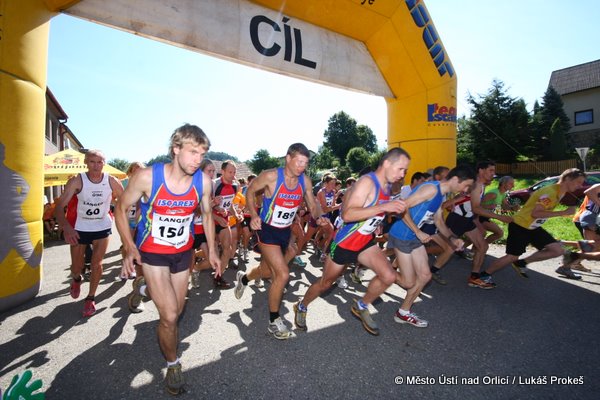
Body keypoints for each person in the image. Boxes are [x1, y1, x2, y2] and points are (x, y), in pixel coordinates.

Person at [115, 124, 220, 395]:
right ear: (175, 149)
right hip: (152, 253)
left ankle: (143, 289)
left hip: (182, 253)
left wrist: (212, 251)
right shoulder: (147, 177)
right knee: (170, 315)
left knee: (177, 308)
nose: (198, 159)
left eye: (202, 153)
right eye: (193, 152)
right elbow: (121, 208)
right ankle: (173, 364)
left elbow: (207, 214)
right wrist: (129, 247)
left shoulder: (203, 182)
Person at [294, 148, 410, 336]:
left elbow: (373, 212)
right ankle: (302, 305)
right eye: (401, 169)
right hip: (345, 243)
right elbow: (348, 214)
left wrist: (378, 223)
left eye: (405, 170)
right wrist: (384, 207)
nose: (403, 174)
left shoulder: (386, 187)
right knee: (326, 283)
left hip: (365, 242)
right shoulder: (366, 182)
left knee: (388, 276)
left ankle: (361, 305)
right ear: (387, 164)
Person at [234, 143, 326, 340]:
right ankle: (274, 321)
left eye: (305, 163)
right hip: (266, 230)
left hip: (284, 231)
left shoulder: (305, 181)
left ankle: (244, 278)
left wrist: (319, 217)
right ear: (288, 158)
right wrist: (253, 215)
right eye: (299, 162)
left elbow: (312, 204)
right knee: (282, 274)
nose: (302, 166)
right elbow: (250, 191)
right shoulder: (271, 176)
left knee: (268, 271)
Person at [388, 166, 475, 327]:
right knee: (408, 283)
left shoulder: (441, 194)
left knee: (425, 276)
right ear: (456, 179)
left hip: (414, 237)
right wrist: (418, 231)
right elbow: (401, 207)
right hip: (403, 235)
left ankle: (403, 312)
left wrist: (452, 239)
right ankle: (381, 268)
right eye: (466, 185)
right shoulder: (430, 189)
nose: (465, 190)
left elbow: (438, 220)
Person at [482, 168, 586, 283]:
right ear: (567, 179)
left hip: (532, 226)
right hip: (520, 226)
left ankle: (521, 263)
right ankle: (483, 276)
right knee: (512, 256)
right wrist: (563, 212)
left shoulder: (559, 191)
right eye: (578, 182)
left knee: (557, 250)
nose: (580, 186)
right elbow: (536, 213)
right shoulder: (551, 192)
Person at [54, 149, 124, 317]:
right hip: (80, 228)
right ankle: (77, 278)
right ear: (86, 162)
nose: (96, 166)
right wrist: (67, 227)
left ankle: (90, 298)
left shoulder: (111, 181)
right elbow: (59, 206)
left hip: (102, 226)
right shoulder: (77, 180)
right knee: (76, 267)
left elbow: (125, 201)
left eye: (99, 162)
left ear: (104, 164)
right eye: (92, 162)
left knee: (96, 264)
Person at [445, 161, 512, 289]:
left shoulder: (480, 185)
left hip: (467, 219)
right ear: (481, 170)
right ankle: (417, 261)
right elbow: (475, 208)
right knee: (442, 248)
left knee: (482, 246)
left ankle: (474, 277)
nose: (493, 174)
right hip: (458, 218)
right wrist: (500, 217)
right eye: (490, 170)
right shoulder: (476, 184)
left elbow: (465, 199)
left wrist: (453, 203)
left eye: (494, 171)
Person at [212, 160, 242, 287]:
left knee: (227, 249)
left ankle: (218, 277)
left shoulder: (235, 186)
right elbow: (204, 206)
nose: (233, 175)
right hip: (210, 221)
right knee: (211, 252)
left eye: (234, 172)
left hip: (224, 221)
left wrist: (235, 214)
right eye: (230, 172)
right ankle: (196, 269)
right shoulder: (214, 184)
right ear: (222, 171)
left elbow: (229, 204)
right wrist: (217, 211)